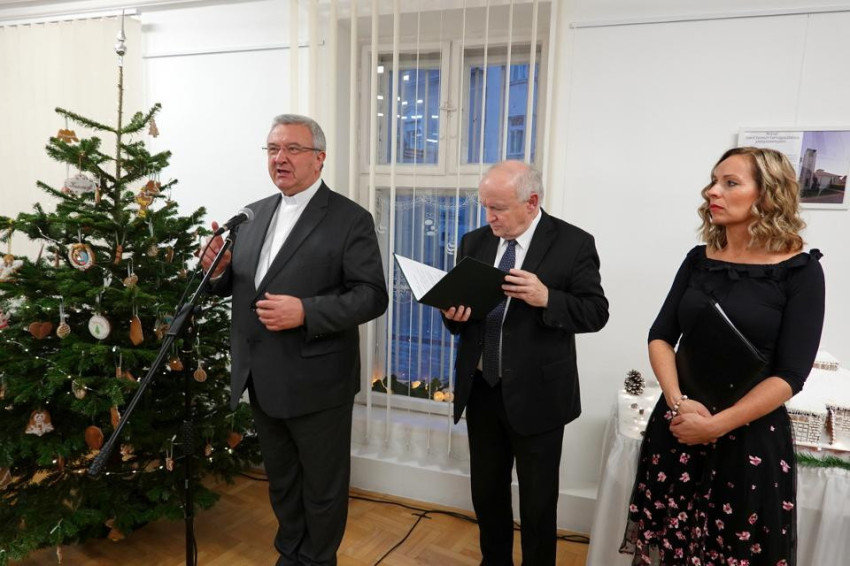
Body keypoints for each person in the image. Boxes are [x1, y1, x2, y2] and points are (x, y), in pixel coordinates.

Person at [620, 147, 826, 565]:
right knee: (674, 548)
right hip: (680, 425)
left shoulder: (801, 271)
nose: (712, 191)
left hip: (747, 438)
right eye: (714, 181)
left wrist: (715, 425)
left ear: (767, 195)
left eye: (730, 183)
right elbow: (661, 336)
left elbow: (790, 374)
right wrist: (679, 403)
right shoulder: (698, 261)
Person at [201, 114, 388, 565]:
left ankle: (318, 560)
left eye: (292, 149)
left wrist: (306, 311)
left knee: (322, 488)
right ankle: (290, 555)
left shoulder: (350, 219)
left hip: (318, 382)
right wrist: (218, 271)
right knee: (282, 483)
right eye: (272, 149)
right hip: (262, 377)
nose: (280, 158)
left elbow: (371, 296)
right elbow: (236, 286)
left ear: (319, 158)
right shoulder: (251, 215)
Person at [442, 160, 609, 565]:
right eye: (485, 206)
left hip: (540, 395)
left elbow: (595, 313)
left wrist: (547, 297)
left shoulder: (573, 243)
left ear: (531, 202)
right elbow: (463, 317)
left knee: (537, 503)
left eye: (498, 208)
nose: (489, 217)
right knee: (487, 494)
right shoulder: (473, 242)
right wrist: (453, 314)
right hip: (482, 389)